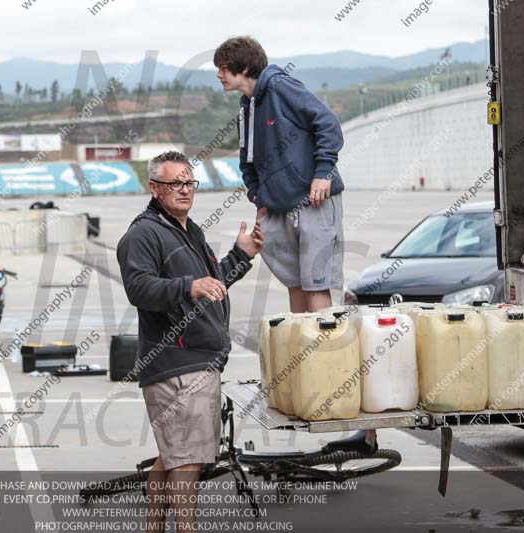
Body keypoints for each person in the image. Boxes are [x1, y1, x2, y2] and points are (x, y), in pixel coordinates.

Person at [214, 36, 376, 452]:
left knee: (318, 285)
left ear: (243, 67)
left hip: (314, 198)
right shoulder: (247, 103)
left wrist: (322, 172)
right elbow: (247, 160)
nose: (219, 75)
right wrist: (257, 196)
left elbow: (328, 124)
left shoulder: (281, 86)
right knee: (295, 285)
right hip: (278, 206)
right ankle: (308, 376)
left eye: (223, 68)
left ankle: (329, 378)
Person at [117, 151, 263, 531]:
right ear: (155, 188)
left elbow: (210, 284)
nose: (184, 190)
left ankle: (154, 527)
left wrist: (241, 256)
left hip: (198, 360)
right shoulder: (143, 234)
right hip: (177, 363)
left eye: (188, 183)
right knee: (187, 461)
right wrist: (189, 285)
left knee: (173, 456)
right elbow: (139, 288)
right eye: (174, 184)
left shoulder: (187, 230)